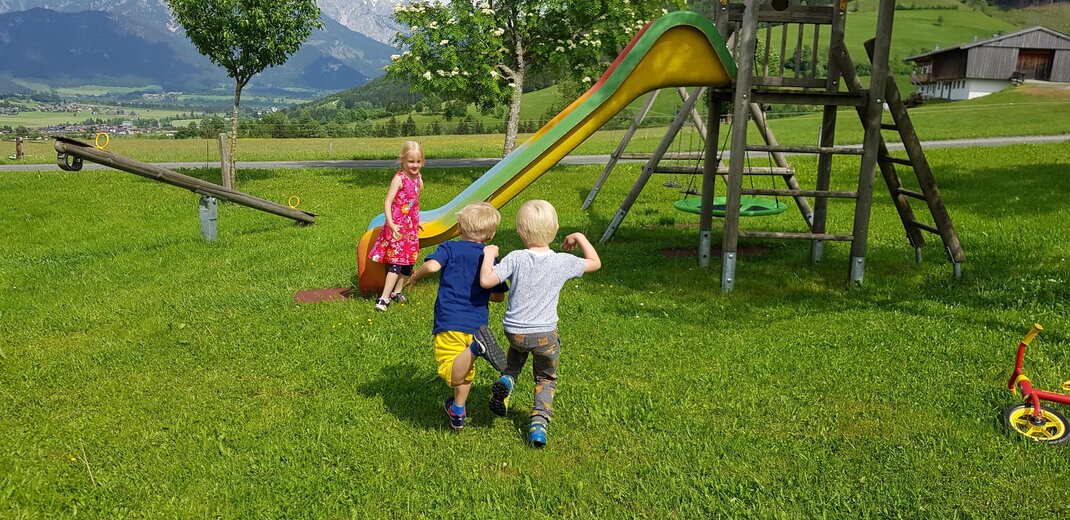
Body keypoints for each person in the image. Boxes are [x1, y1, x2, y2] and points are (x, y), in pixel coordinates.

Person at [478, 199, 601, 447]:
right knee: (545, 378)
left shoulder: (515, 258)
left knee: (516, 355)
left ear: (521, 232)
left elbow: (486, 281)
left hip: (515, 332)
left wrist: (488, 255)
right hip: (545, 336)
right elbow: (595, 263)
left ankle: (507, 380)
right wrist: (579, 236)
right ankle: (538, 424)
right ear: (555, 231)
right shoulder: (562, 261)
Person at [407, 202, 509, 430]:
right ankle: (458, 410)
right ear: (491, 234)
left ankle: (477, 348)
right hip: (476, 324)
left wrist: (415, 276)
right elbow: (498, 297)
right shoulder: (489, 259)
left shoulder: (449, 248)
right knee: (465, 370)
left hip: (450, 320)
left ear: (460, 227)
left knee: (451, 373)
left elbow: (432, 267)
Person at [368, 141, 424, 311]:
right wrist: (391, 223)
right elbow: (388, 201)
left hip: (410, 228)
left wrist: (416, 221)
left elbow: (413, 203)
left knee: (409, 263)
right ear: (403, 160)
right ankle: (383, 298)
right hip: (397, 228)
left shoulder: (418, 179)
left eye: (418, 161)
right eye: (411, 161)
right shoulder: (399, 179)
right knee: (396, 263)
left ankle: (397, 292)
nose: (415, 165)